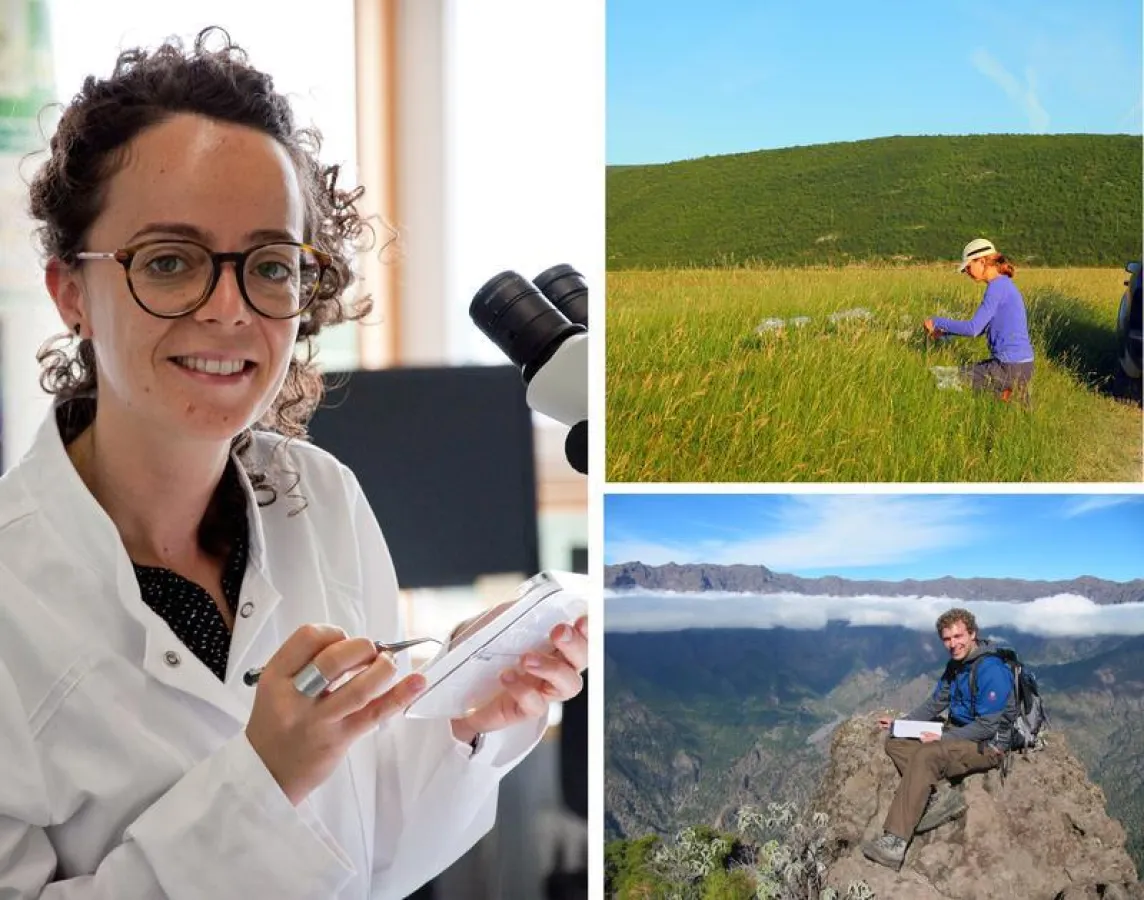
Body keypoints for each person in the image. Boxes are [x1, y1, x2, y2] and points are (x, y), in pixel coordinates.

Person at [0, 29, 587, 899]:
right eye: (170, 261)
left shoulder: (320, 498)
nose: (232, 309)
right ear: (70, 293)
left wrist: (465, 720)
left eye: (271, 265)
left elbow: (372, 853)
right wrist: (261, 783)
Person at [860, 608, 1015, 871]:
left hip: (987, 746)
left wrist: (943, 736)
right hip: (959, 732)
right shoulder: (955, 667)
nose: (953, 644)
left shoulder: (992, 670)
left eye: (958, 636)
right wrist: (901, 725)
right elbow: (935, 704)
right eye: (947, 639)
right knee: (895, 741)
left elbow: (987, 727)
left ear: (973, 634)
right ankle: (936, 796)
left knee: (927, 753)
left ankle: (895, 842)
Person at [924, 238, 1035, 403]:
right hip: (1022, 367)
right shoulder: (1005, 285)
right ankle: (1011, 398)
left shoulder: (996, 287)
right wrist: (946, 334)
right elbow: (984, 327)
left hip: (1009, 367)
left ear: (982, 261)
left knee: (941, 379)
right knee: (1010, 406)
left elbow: (973, 328)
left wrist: (936, 321)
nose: (967, 272)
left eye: (968, 267)